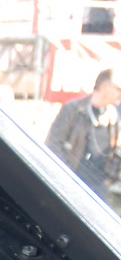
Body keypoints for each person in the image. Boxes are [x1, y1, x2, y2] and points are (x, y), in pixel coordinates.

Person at [45, 69, 121, 199]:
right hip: (70, 185)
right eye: (118, 89)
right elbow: (53, 143)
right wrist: (66, 176)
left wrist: (109, 179)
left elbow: (117, 151)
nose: (120, 94)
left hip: (98, 190)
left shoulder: (113, 116)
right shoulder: (73, 109)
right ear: (104, 87)